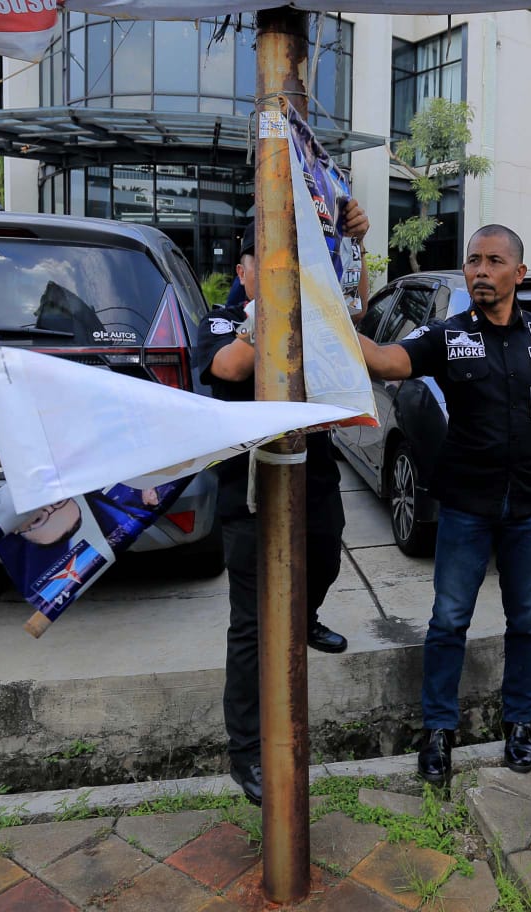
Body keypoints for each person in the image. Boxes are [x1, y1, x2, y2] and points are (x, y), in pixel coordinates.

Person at [356, 225, 531, 784]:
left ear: (519, 273)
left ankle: (520, 725)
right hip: (466, 506)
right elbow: (388, 362)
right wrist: (343, 322)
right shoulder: (449, 336)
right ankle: (439, 729)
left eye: (493, 261)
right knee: (448, 619)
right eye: (472, 261)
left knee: (528, 621)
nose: (480, 271)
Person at [194, 211, 367, 806]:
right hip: (248, 488)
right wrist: (265, 307)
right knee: (250, 623)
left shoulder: (306, 314)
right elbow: (229, 367)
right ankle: (245, 752)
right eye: (265, 267)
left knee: (326, 557)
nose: (274, 276)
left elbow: (354, 315)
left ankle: (306, 614)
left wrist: (354, 245)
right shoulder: (222, 316)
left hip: (310, 469)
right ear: (243, 272)